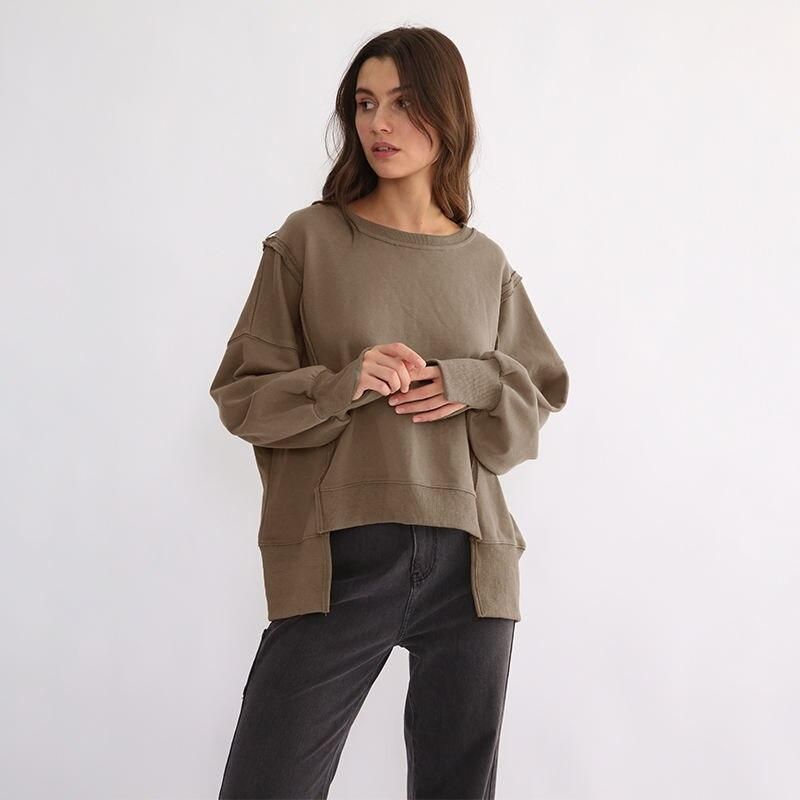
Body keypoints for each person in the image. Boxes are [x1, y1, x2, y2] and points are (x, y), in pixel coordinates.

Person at [209, 25, 569, 800]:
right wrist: (341, 385)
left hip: (471, 564)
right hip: (341, 557)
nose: (380, 123)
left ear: (448, 114)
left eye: (404, 104)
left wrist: (473, 379)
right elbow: (241, 395)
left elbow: (533, 402)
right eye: (366, 104)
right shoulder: (308, 241)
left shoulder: (486, 264)